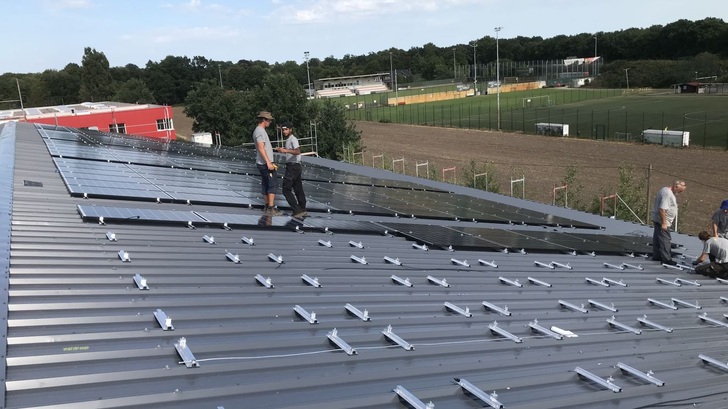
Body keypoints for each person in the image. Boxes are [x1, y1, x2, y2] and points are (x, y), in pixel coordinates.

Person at [274, 122, 308, 218]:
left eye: (286, 129)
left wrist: (285, 150)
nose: (284, 131)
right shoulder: (289, 140)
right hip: (294, 167)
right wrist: (282, 149)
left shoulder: (293, 139)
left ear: (290, 130)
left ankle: (297, 210)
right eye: (283, 130)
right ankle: (303, 208)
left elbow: (297, 151)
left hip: (293, 167)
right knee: (298, 188)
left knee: (286, 189)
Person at [650, 180, 686, 265]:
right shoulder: (667, 193)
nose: (680, 193)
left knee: (658, 237)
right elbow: (662, 209)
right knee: (665, 239)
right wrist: (664, 222)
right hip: (662, 220)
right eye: (680, 191)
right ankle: (666, 258)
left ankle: (657, 255)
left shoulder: (665, 190)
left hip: (660, 219)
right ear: (676, 187)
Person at [253, 111, 282, 216]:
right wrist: (268, 162)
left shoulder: (260, 131)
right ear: (263, 120)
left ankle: (267, 206)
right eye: (269, 120)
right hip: (265, 163)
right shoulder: (260, 131)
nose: (270, 122)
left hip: (263, 162)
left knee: (266, 184)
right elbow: (261, 148)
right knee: (272, 184)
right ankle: (270, 208)